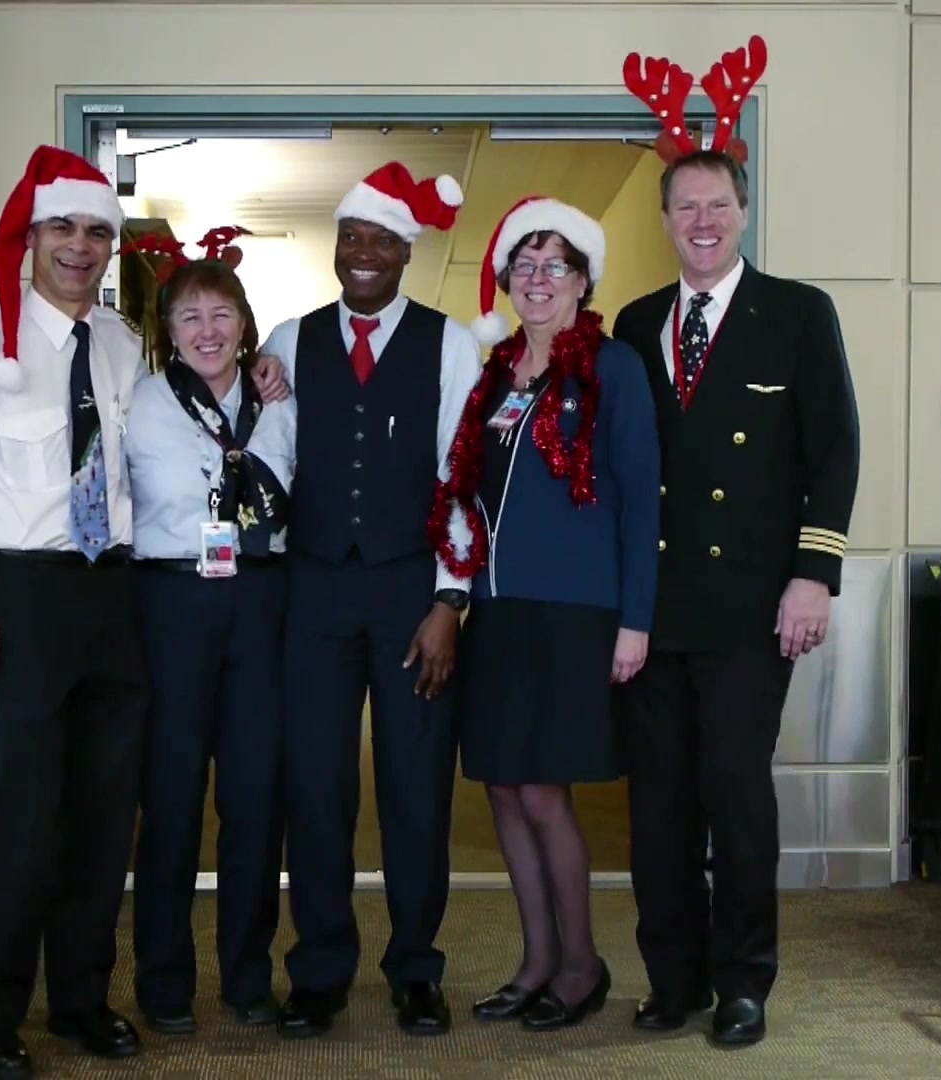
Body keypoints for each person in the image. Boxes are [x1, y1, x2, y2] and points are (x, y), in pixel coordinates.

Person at [610, 125, 861, 1047]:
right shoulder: (638, 324)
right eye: (687, 208)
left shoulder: (797, 313)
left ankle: (744, 980)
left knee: (735, 793)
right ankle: (671, 978)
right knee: (659, 805)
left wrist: (815, 574)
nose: (704, 222)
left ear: (744, 212)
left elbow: (835, 452)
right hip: (655, 611)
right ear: (667, 221)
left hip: (754, 609)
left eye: (720, 205)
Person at [0, 144, 150, 1076]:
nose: (81, 247)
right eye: (64, 228)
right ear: (31, 237)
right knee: (22, 823)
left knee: (104, 820)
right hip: (25, 593)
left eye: (98, 231)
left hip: (116, 593)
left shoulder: (127, 341)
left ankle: (82, 1001)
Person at [258, 161, 481, 1039]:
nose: (363, 252)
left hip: (408, 590)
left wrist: (450, 601)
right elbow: (270, 461)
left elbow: (459, 478)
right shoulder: (290, 337)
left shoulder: (449, 342)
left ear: (405, 253)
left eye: (381, 239)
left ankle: (416, 969)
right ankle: (318, 970)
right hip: (311, 591)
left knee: (417, 785)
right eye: (351, 236)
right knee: (314, 784)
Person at [432, 197, 660, 1030]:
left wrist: (636, 620)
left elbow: (640, 503)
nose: (537, 279)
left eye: (554, 265)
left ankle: (581, 964)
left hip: (577, 611)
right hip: (498, 610)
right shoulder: (492, 376)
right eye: (523, 265)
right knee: (499, 783)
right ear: (505, 281)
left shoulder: (613, 368)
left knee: (543, 791)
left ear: (582, 279)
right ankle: (534, 959)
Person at [116, 236, 295, 1035]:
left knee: (255, 800)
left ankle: (249, 976)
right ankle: (163, 980)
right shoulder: (138, 398)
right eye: (189, 314)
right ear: (168, 328)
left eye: (221, 312)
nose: (207, 328)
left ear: (246, 323)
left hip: (262, 605)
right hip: (172, 604)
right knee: (173, 798)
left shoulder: (282, 399)